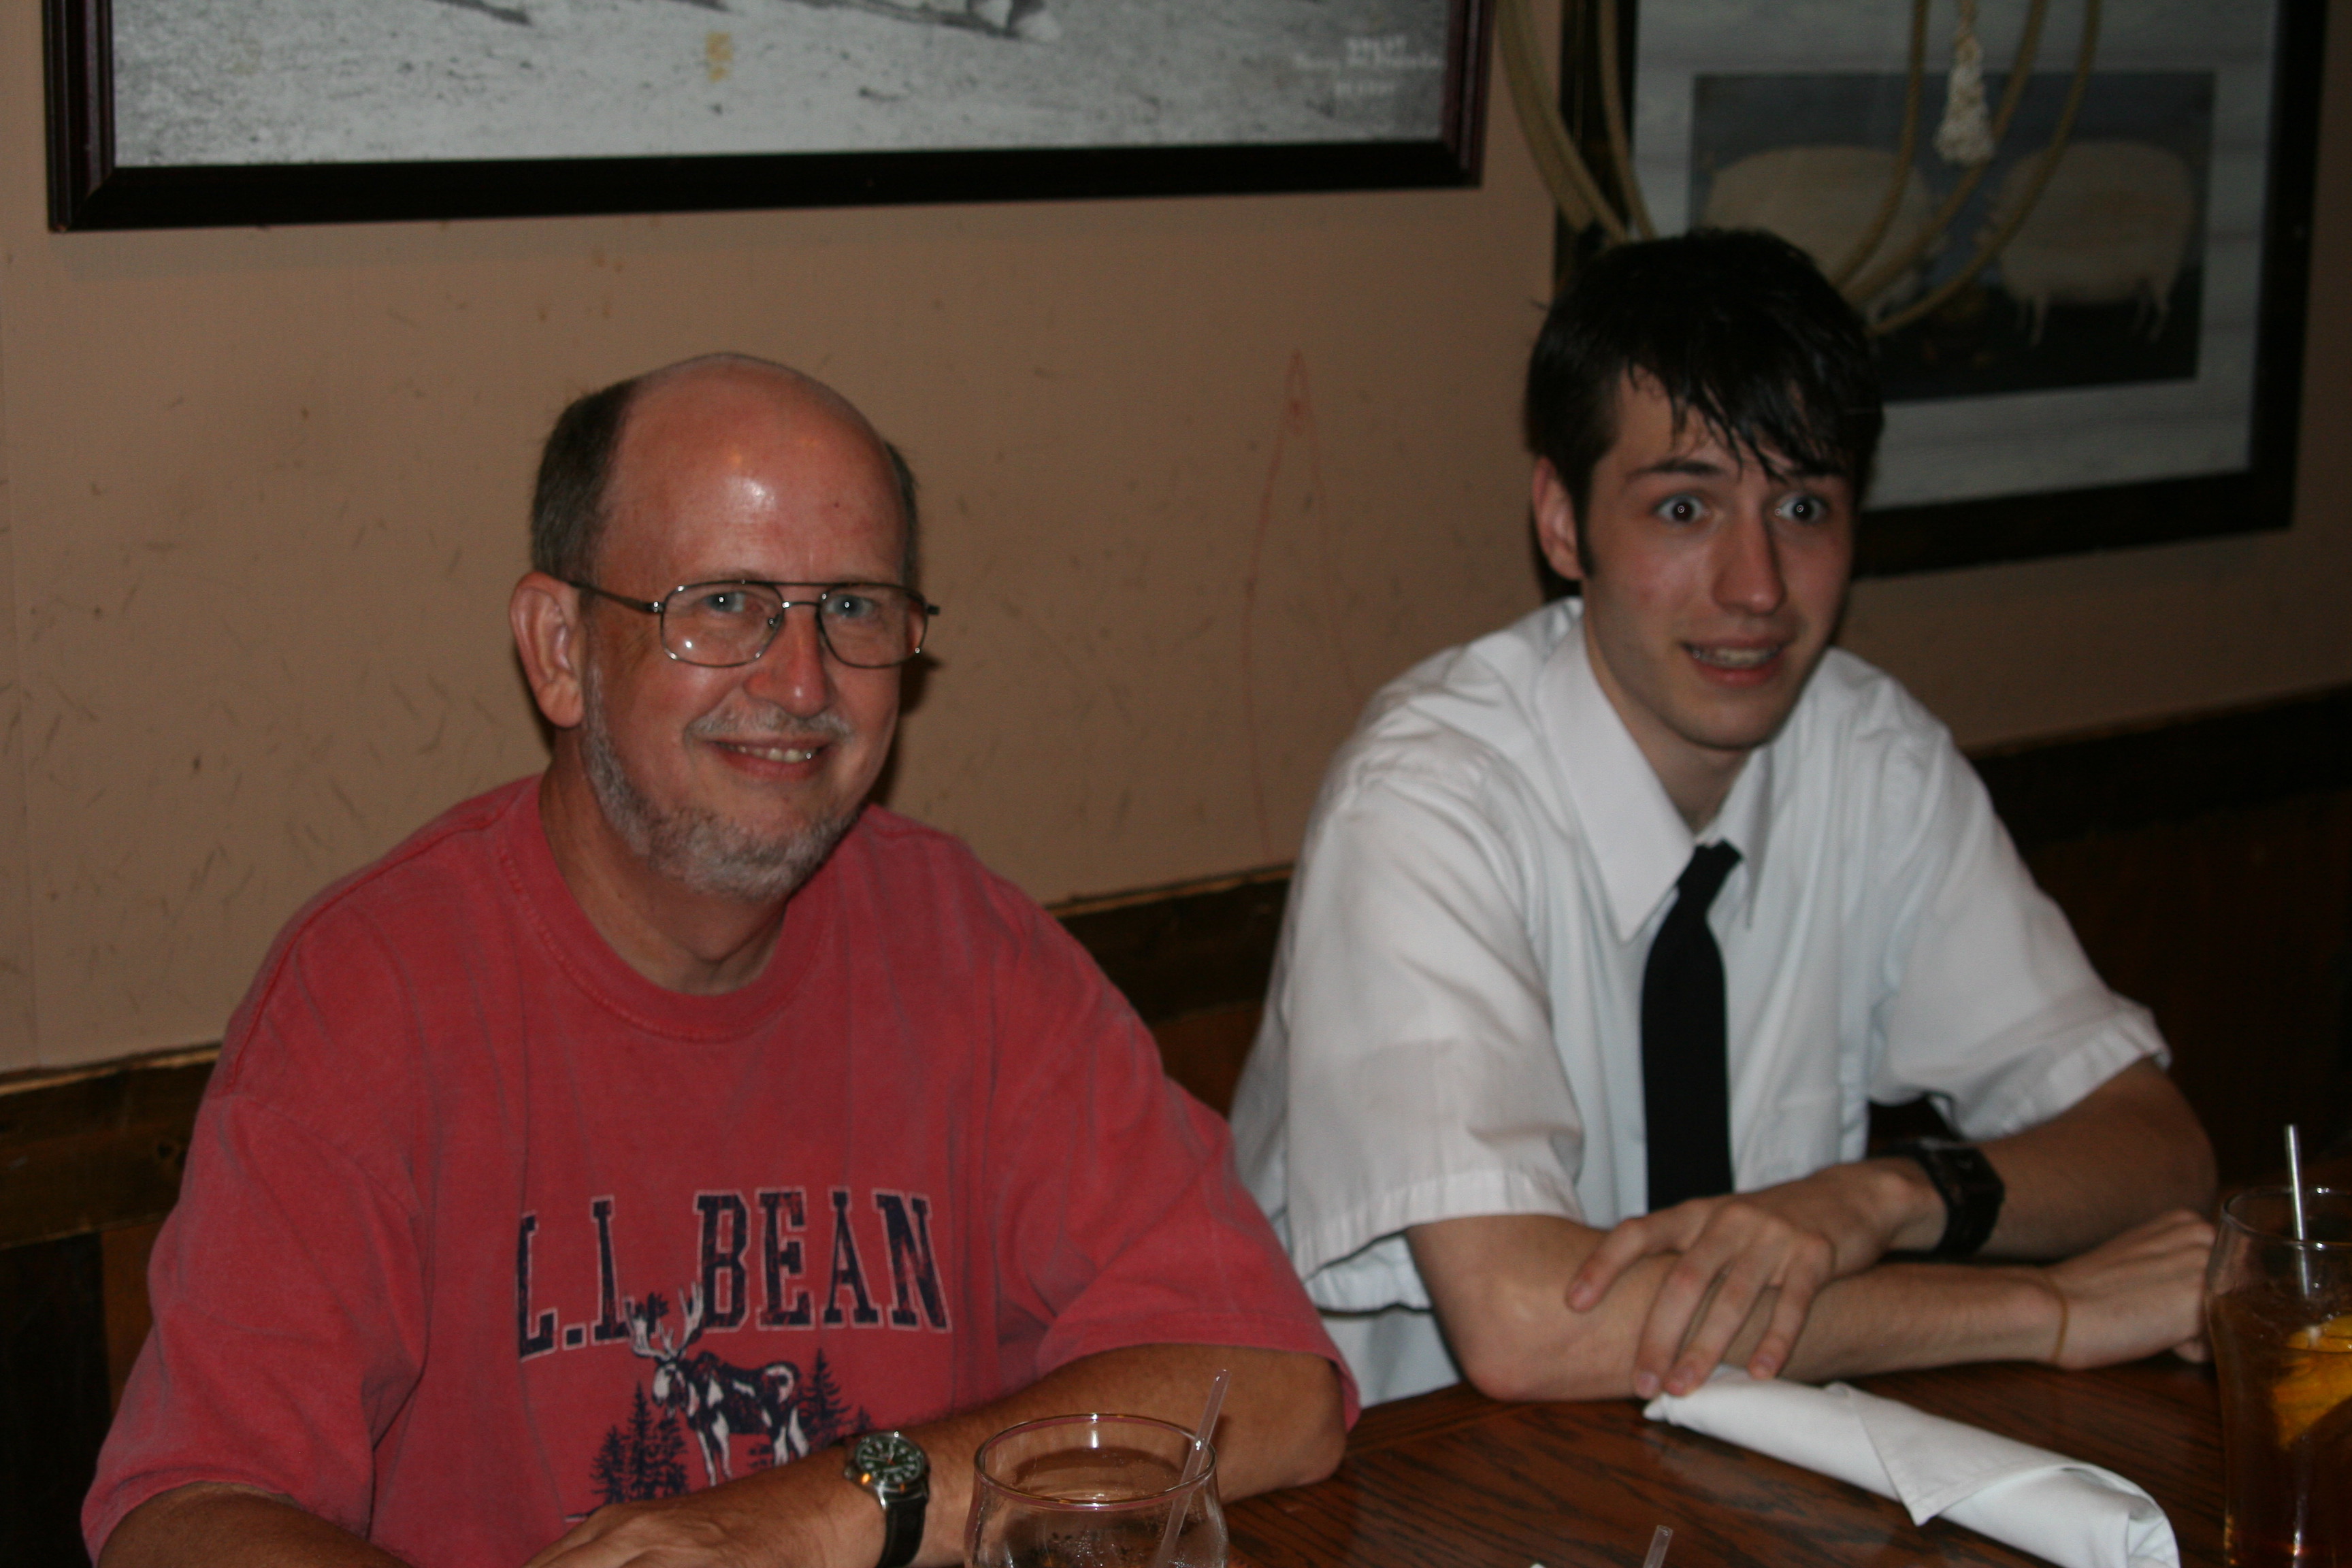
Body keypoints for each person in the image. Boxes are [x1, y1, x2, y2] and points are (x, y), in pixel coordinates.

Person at [86, 355, 1350, 1568]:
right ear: (561, 649)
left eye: (853, 608)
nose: (801, 682)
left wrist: (828, 1514)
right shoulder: (373, 991)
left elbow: (1274, 1388)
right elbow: (184, 1517)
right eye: (724, 605)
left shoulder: (965, 942)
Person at [1229, 230, 2218, 1409]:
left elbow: (2160, 1148)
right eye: (1685, 507)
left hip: (1744, 1464)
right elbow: (1528, 1327)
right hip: (1418, 1478)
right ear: (1562, 519)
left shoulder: (1870, 756)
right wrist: (2046, 1312)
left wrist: (1884, 1196)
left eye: (1802, 505)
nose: (1757, 586)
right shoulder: (1428, 799)